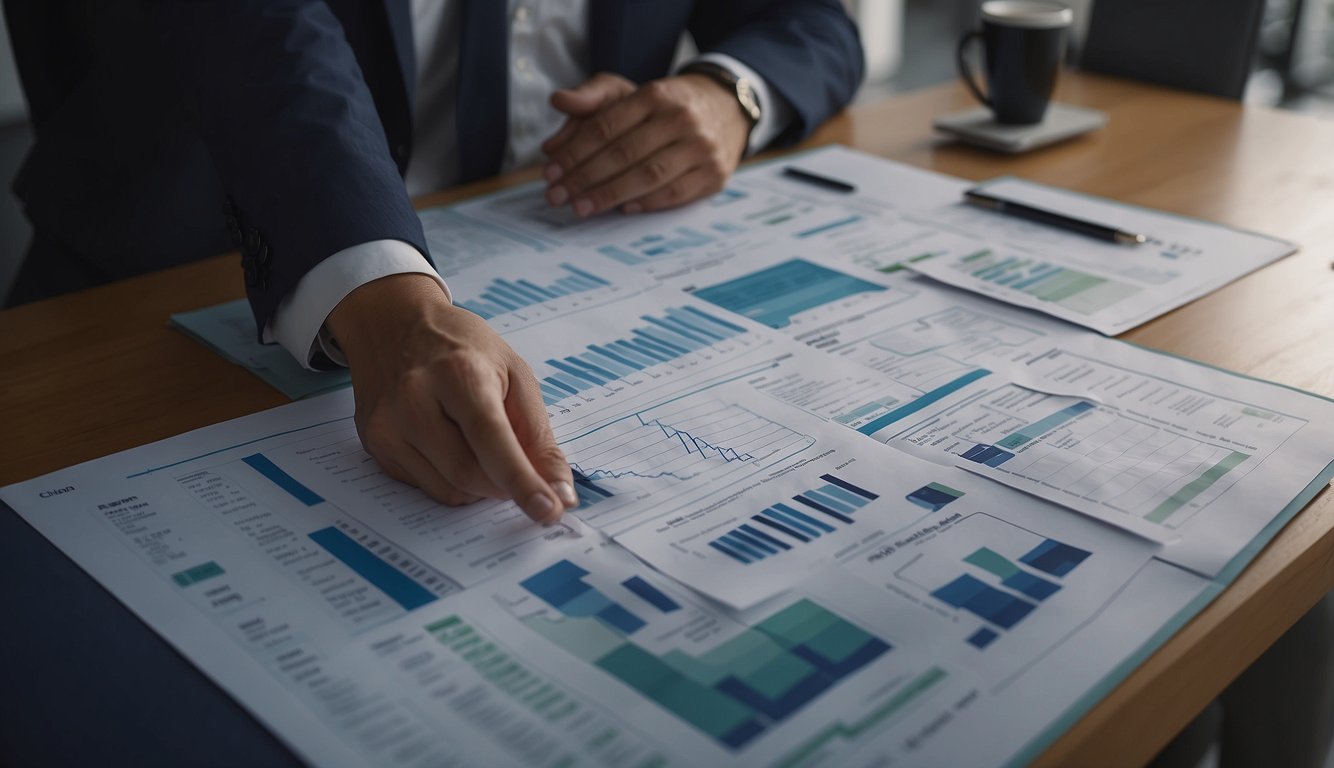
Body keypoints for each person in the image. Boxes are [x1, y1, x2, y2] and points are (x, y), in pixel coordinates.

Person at [5, 1, 865, 523]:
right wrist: (378, 289)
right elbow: (252, 28)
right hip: (176, 277)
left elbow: (810, 18)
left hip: (567, 239)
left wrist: (732, 91)